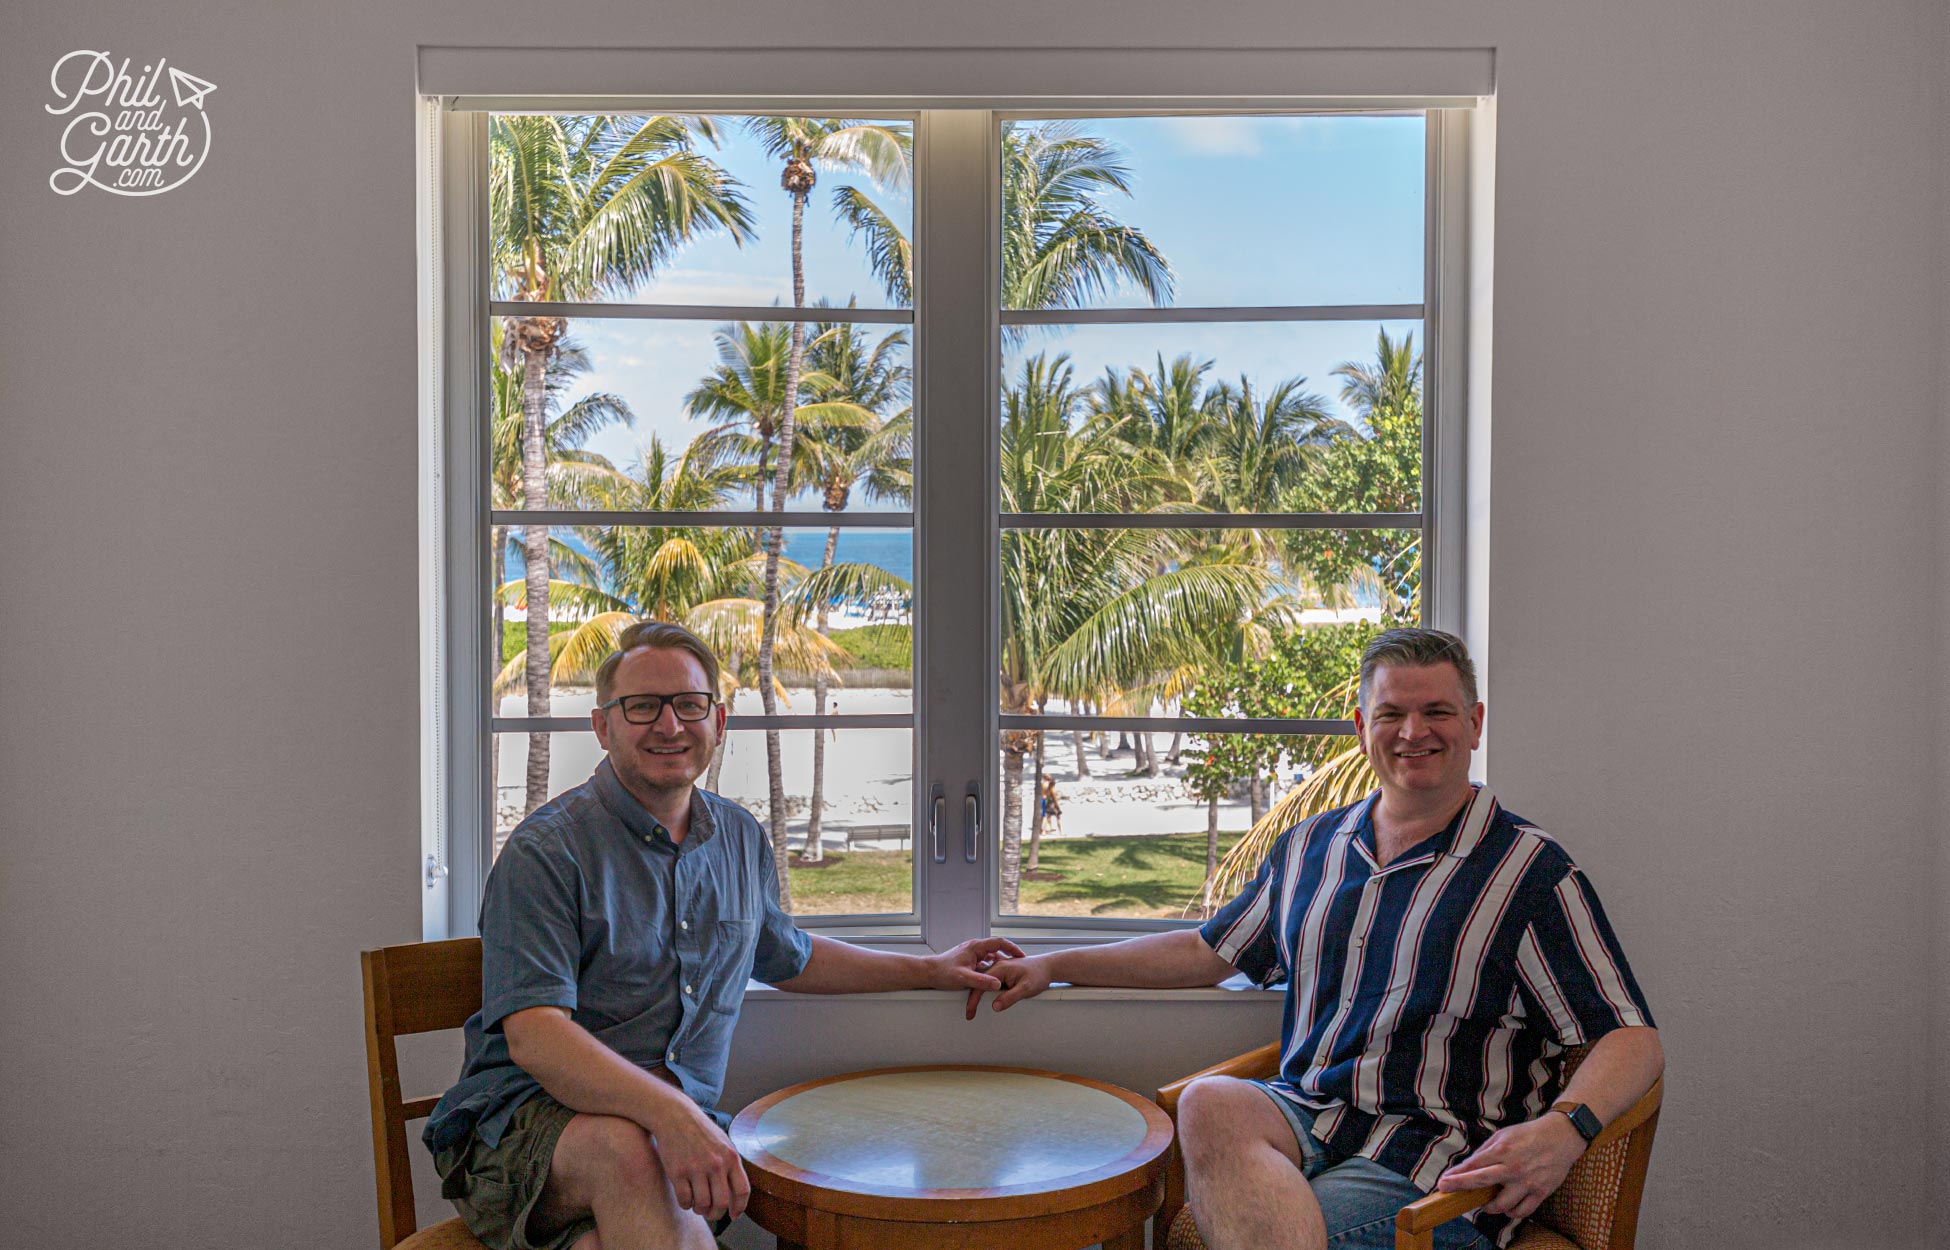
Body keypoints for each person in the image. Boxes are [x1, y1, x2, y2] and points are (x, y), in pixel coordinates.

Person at [967, 629, 1661, 1250]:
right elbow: (1207, 953)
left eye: (1437, 712)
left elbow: (1632, 1038)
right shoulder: (1313, 846)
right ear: (1362, 726)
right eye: (1391, 713)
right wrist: (1054, 965)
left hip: (1430, 1165)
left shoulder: (1530, 872)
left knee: (1283, 1224)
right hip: (1307, 1119)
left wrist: (1566, 1130)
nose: (1412, 731)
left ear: (1474, 724)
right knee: (1208, 1101)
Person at [426, 620, 1019, 1250]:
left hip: (667, 1142)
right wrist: (674, 1114)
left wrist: (930, 969)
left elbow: (791, 957)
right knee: (636, 1154)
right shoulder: (546, 851)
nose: (670, 725)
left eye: (689, 705)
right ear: (602, 727)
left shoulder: (738, 837)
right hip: (517, 1131)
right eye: (642, 707)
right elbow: (537, 1038)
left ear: (719, 722)